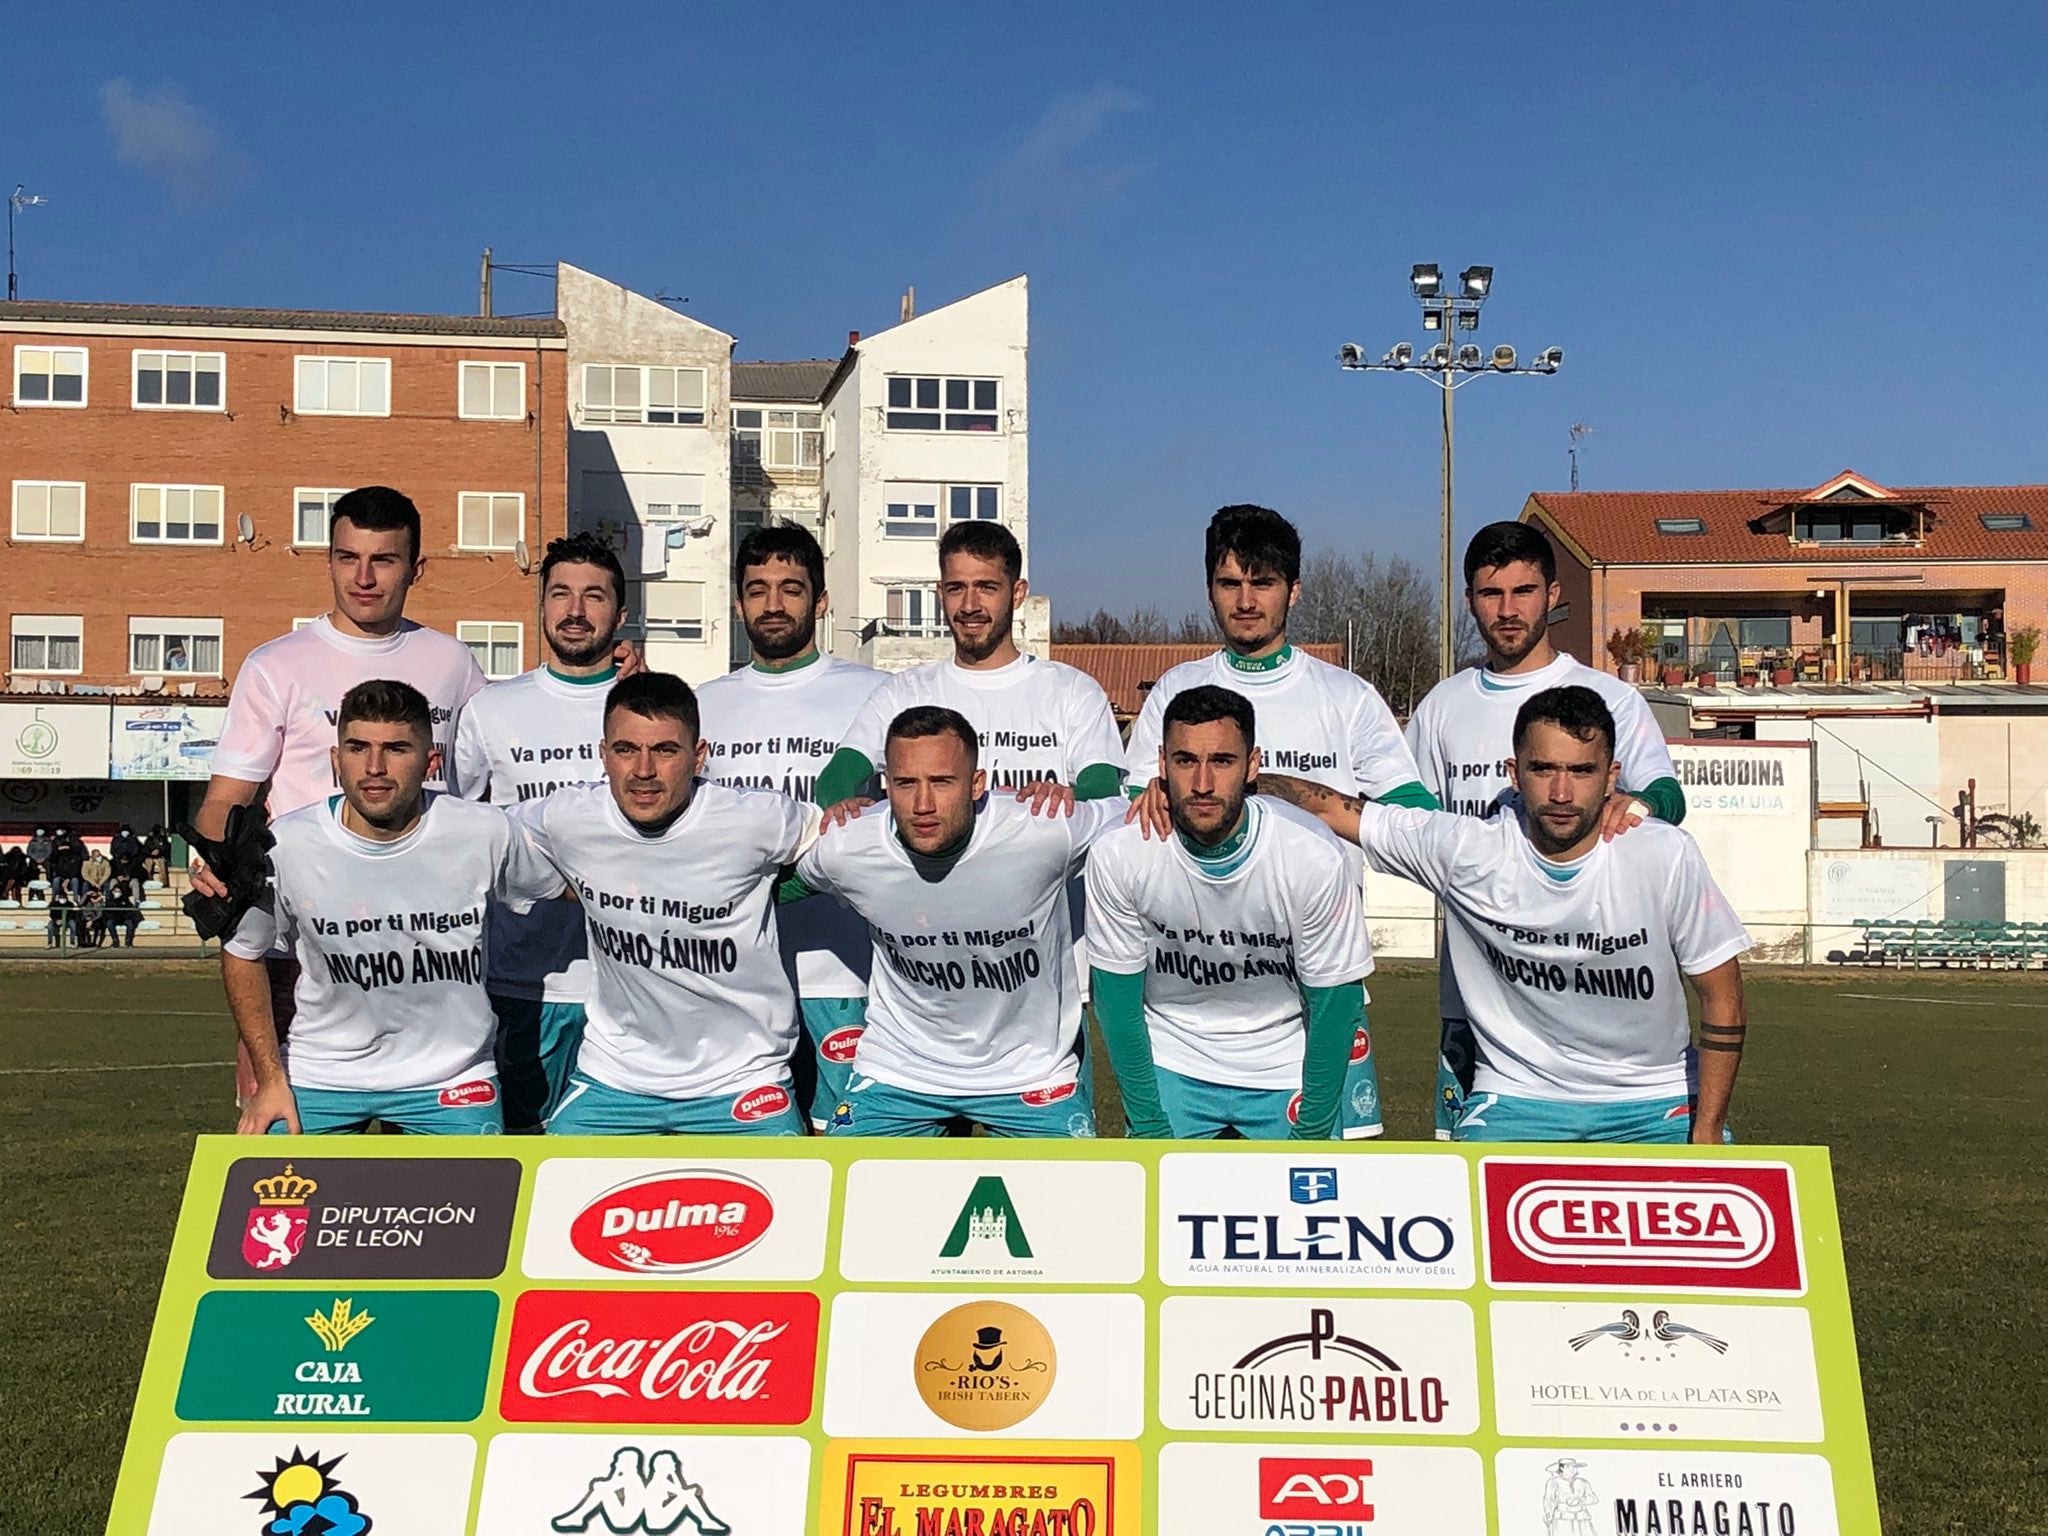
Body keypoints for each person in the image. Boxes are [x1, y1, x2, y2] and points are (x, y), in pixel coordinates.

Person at [1255, 686, 1750, 1144]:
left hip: (1657, 1098)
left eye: (1581, 772)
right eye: (1542, 769)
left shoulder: (1664, 854)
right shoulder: (1470, 851)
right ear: (1514, 773)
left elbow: (1723, 995)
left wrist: (1706, 1129)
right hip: (1517, 1099)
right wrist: (1213, 789)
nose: (1561, 793)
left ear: (1611, 777)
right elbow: (1332, 809)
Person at [1123, 505, 1430, 1126]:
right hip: (1191, 1005)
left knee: (1328, 1198)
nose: (1244, 600)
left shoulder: (1346, 697)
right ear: (1209, 587)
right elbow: (1134, 818)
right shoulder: (1175, 691)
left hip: (1317, 991)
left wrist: (1309, 801)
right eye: (1229, 583)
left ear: (1294, 589)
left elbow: (1414, 819)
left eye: (1261, 583)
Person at [192, 487, 489, 1101]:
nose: (363, 577)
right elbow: (228, 798)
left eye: (383, 560)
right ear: (328, 559)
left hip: (426, 944)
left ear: (416, 568)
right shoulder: (277, 664)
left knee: (435, 1173)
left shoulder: (453, 663)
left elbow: (485, 789)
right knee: (285, 1149)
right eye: (346, 557)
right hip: (300, 947)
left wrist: (617, 680)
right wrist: (218, 863)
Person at [1406, 520, 1687, 1136]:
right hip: (1478, 1002)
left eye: (1523, 591)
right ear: (1469, 600)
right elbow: (1413, 824)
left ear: (1553, 594)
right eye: (1490, 594)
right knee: (1476, 1191)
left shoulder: (1605, 695)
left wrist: (1635, 806)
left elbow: (1666, 794)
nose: (1508, 611)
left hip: (1596, 987)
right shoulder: (1441, 708)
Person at [791, 706, 1125, 1138]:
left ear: (977, 784)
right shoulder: (849, 845)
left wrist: (1157, 793)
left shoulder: (1042, 826)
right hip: (900, 1070)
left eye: (942, 782)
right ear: (885, 785)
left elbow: (1138, 818)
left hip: (1030, 1075)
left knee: (1069, 1202)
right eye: (906, 783)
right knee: (846, 1195)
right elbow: (768, 881)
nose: (923, 804)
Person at [509, 672, 815, 1136]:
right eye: (626, 750)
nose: (643, 771)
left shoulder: (753, 820)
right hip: (615, 1076)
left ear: (699, 757)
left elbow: (836, 842)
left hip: (742, 1079)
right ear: (603, 755)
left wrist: (773, 889)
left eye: (665, 751)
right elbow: (483, 841)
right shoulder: (569, 818)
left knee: (791, 1204)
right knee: (549, 1196)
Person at [222, 680, 528, 1135]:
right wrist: (270, 1078)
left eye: (397, 749)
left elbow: (573, 885)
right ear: (335, 760)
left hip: (451, 1078)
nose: (375, 767)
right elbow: (242, 951)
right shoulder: (285, 845)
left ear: (430, 762)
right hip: (321, 1074)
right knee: (273, 1201)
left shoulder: (484, 832)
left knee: (480, 1203)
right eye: (358, 747)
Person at [1087, 686, 1379, 1140]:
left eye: (1222, 761)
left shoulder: (1311, 853)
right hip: (1173, 1061)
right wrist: (1148, 1126)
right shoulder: (1120, 851)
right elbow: (1116, 1003)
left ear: (1253, 766)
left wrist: (1313, 1132)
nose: (1203, 783)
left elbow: (1335, 1004)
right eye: (1186, 761)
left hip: (1285, 1064)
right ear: (1162, 765)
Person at [697, 523, 885, 1128]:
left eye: (791, 588)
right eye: (757, 590)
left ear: (821, 601)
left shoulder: (878, 693)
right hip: (735, 982)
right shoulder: (702, 704)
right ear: (737, 603)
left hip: (849, 973)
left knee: (849, 1154)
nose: (773, 605)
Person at [451, 532, 630, 1132]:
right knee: (520, 1158)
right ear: (542, 607)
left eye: (594, 597)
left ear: (620, 613)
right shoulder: (491, 710)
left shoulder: (654, 710)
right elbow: (458, 832)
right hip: (524, 981)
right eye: (561, 594)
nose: (575, 611)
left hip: (637, 987)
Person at [816, 521, 1124, 807]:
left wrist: (1064, 797)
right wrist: (852, 815)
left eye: (986, 587)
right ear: (940, 593)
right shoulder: (903, 692)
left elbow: (1102, 790)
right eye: (956, 588)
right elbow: (834, 781)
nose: (969, 606)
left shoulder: (1072, 690)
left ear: (1017, 594)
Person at [103, 872, 142, 946]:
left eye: (118, 891)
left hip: (124, 918)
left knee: (130, 923)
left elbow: (129, 911)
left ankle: (128, 941)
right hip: (114, 918)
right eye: (115, 891)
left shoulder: (125, 899)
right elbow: (108, 912)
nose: (117, 893)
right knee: (109, 923)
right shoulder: (110, 900)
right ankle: (115, 940)